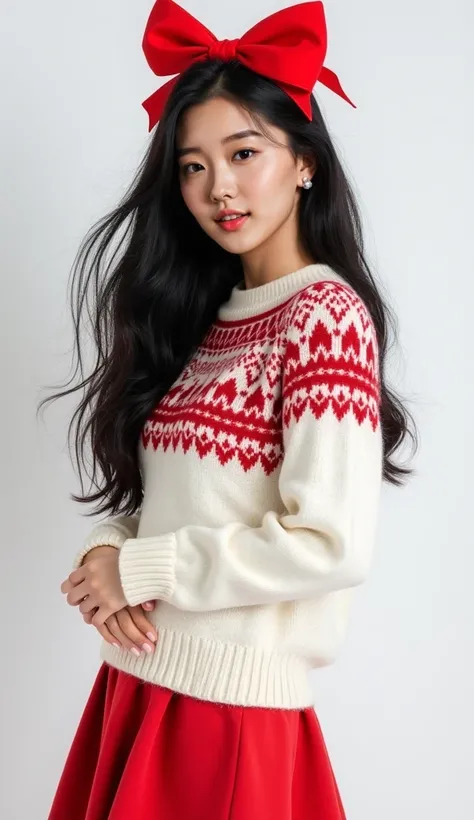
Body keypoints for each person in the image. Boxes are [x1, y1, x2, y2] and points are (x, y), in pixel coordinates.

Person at [42, 0, 417, 817]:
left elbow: (330, 544)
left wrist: (140, 569)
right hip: (139, 692)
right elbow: (181, 499)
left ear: (305, 162)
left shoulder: (323, 316)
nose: (220, 187)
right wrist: (110, 551)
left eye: (245, 153)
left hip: (223, 719)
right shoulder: (210, 317)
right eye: (193, 165)